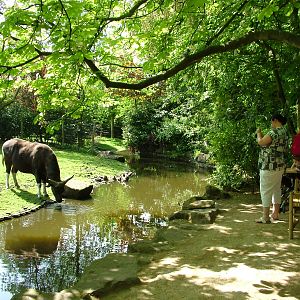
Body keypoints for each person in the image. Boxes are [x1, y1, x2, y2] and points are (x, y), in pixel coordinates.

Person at [256, 113, 289, 223]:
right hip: (279, 166)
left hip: (269, 166)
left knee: (265, 190)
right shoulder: (285, 132)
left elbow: (261, 142)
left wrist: (259, 134)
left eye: (271, 121)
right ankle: (275, 214)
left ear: (275, 120)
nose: (271, 124)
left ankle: (265, 217)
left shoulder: (273, 132)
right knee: (276, 189)